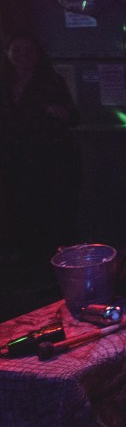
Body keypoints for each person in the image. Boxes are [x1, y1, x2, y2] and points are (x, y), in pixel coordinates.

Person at [0, 32, 81, 280]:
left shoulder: (50, 82)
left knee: (51, 212)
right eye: (17, 51)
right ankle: (28, 267)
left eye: (29, 51)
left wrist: (61, 112)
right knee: (21, 211)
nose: (23, 56)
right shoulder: (5, 83)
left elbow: (73, 117)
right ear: (8, 53)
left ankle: (57, 270)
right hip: (15, 158)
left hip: (49, 158)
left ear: (38, 55)